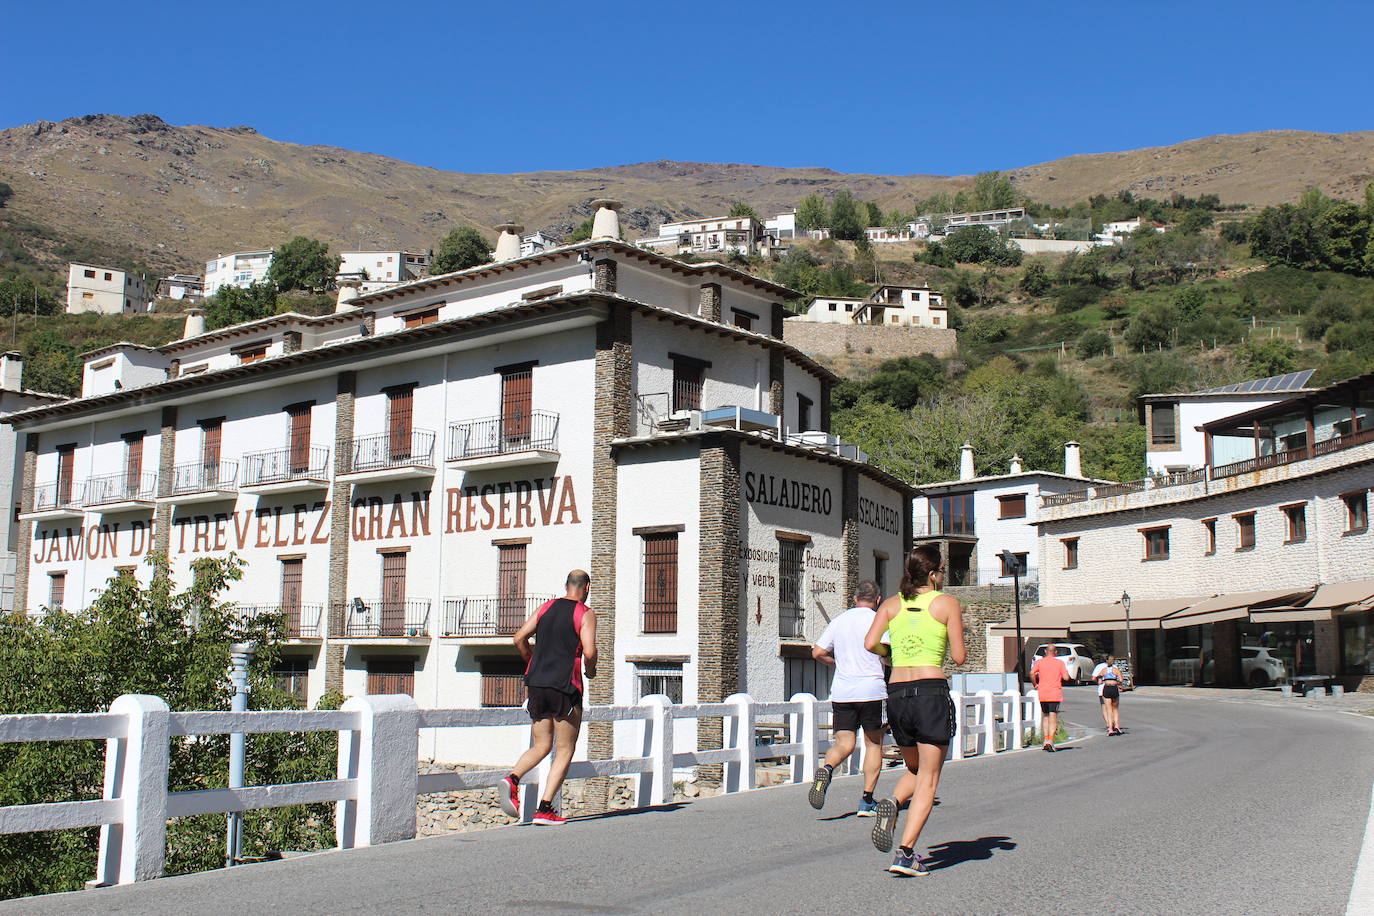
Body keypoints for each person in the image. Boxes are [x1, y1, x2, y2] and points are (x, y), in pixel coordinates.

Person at [863, 545, 965, 877]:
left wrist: (890, 653)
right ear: (936, 572)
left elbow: (870, 644)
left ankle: (892, 802)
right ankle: (905, 853)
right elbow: (961, 657)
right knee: (929, 779)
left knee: (915, 767)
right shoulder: (946, 603)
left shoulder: (892, 604)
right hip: (930, 692)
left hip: (897, 694)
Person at [498, 570, 597, 826]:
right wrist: (591, 669)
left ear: (566, 586)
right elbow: (589, 650)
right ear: (586, 588)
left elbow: (518, 638)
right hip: (565, 686)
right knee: (564, 749)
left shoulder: (546, 607)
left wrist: (531, 660)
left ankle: (513, 779)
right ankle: (545, 809)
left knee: (541, 745)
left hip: (537, 684)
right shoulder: (584, 613)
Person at [809, 580, 888, 816]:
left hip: (843, 691)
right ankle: (866, 801)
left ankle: (828, 768)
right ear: (878, 600)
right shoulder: (880, 620)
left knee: (844, 744)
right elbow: (888, 655)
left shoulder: (839, 620)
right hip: (871, 690)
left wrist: (837, 663)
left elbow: (817, 652)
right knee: (874, 744)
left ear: (854, 599)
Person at [1031, 644, 1070, 752]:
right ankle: (1051, 741)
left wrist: (1035, 684)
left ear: (1045, 652)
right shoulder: (1060, 663)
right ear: (1056, 652)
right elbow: (1066, 677)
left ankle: (1045, 740)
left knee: (1045, 716)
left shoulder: (1039, 662)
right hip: (1054, 692)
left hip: (1042, 692)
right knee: (1053, 716)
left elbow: (1031, 673)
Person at [1094, 655, 1124, 735]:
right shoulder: (1116, 670)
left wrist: (1103, 681)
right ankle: (1117, 726)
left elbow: (1099, 680)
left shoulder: (1103, 670)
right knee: (1115, 709)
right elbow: (1121, 680)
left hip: (1106, 688)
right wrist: (1117, 682)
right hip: (1114, 688)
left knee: (1108, 709)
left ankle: (1110, 728)